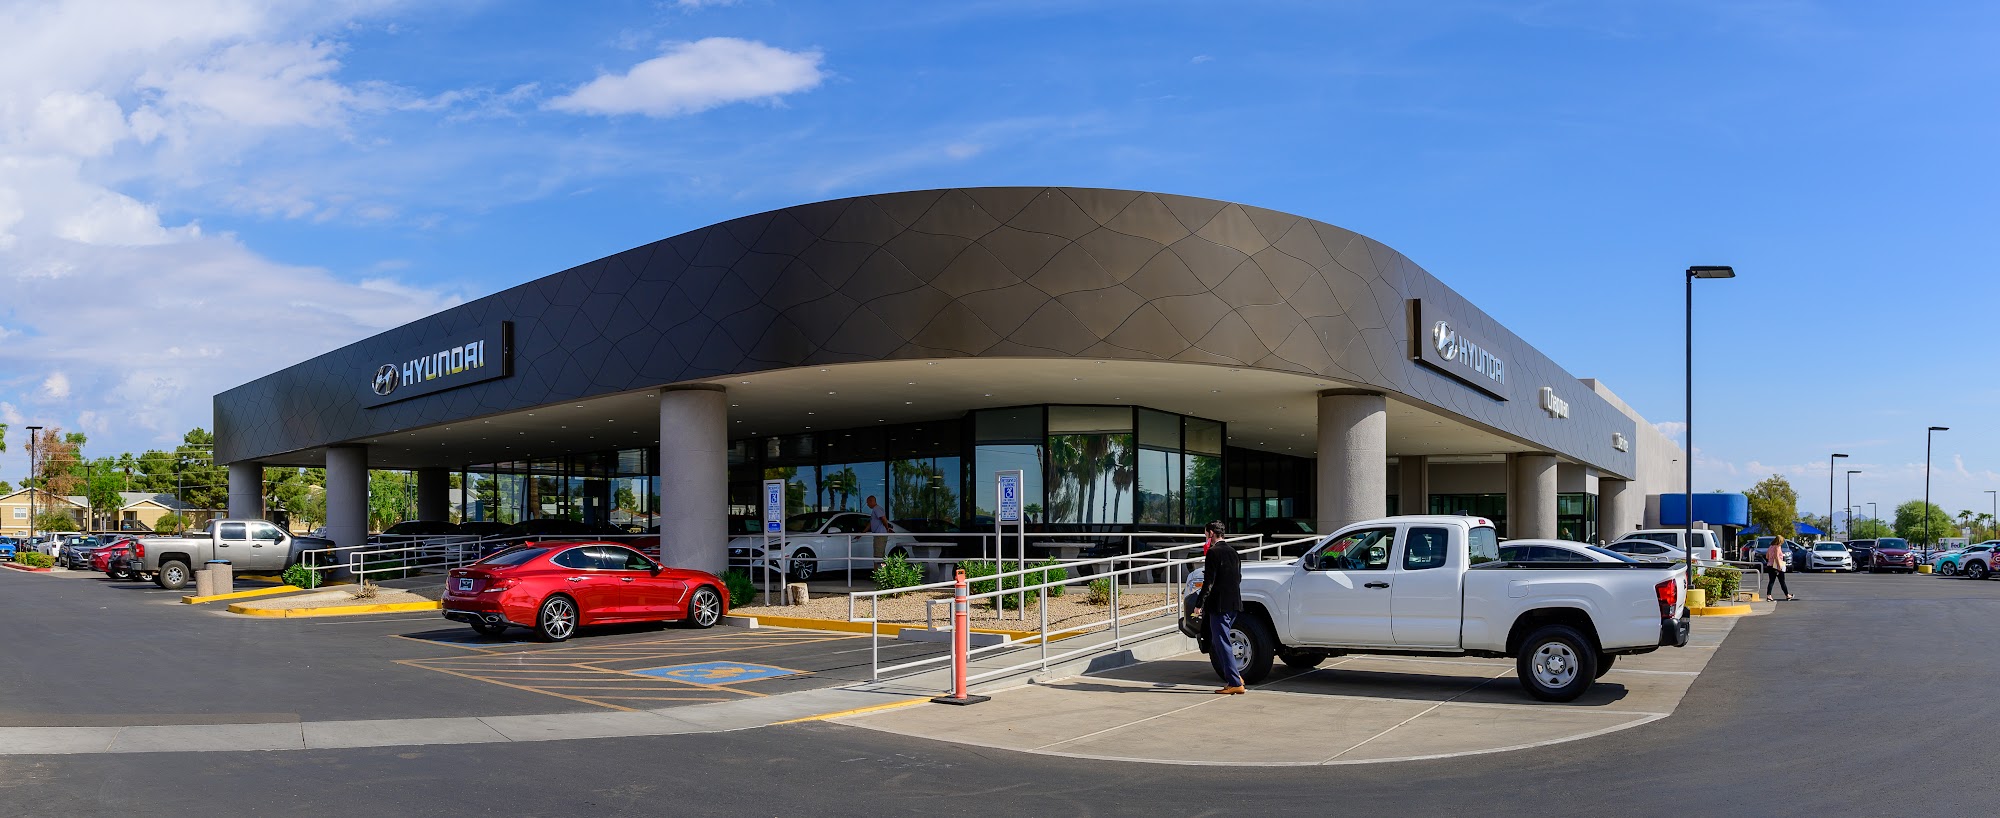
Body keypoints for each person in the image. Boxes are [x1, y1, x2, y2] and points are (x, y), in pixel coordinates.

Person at [1200, 521, 1246, 694]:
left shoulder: (1213, 552)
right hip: (1234, 604)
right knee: (1220, 641)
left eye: (1206, 533)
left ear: (1211, 533)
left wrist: (1199, 604)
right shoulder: (1233, 552)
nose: (1205, 536)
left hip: (1219, 606)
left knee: (1221, 643)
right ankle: (1236, 677)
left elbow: (1208, 582)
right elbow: (1238, 578)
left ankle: (1235, 683)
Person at [1765, 533, 1795, 601]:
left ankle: (1769, 595)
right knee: (1782, 581)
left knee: (1771, 581)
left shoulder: (1771, 547)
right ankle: (1787, 595)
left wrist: (1771, 559)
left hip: (1770, 565)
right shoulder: (1777, 547)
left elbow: (1767, 556)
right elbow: (1777, 557)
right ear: (1779, 541)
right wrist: (1779, 566)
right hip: (1776, 566)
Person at [865, 495, 891, 561]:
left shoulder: (876, 509)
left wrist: (887, 527)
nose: (867, 505)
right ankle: (882, 567)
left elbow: (883, 518)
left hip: (880, 535)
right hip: (878, 535)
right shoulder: (875, 509)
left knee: (878, 556)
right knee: (880, 555)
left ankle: (877, 567)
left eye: (867, 502)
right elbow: (871, 523)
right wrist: (863, 532)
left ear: (871, 501)